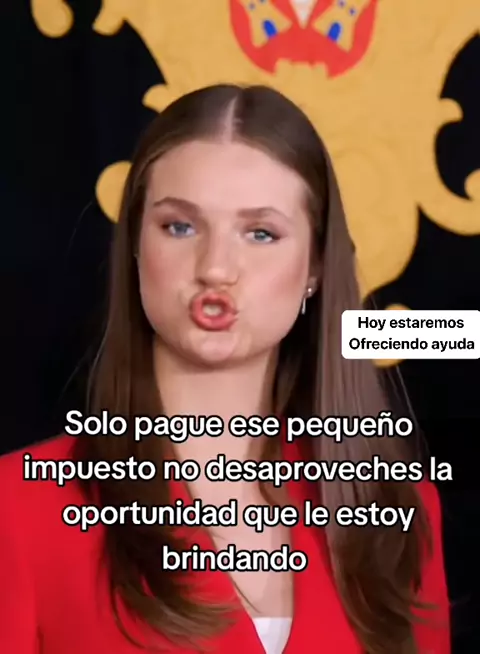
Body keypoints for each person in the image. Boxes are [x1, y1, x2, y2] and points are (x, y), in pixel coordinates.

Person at [0, 84, 449, 654]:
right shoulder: (19, 508)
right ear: (135, 244)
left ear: (315, 266)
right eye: (180, 227)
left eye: (261, 233)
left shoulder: (396, 508)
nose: (215, 268)